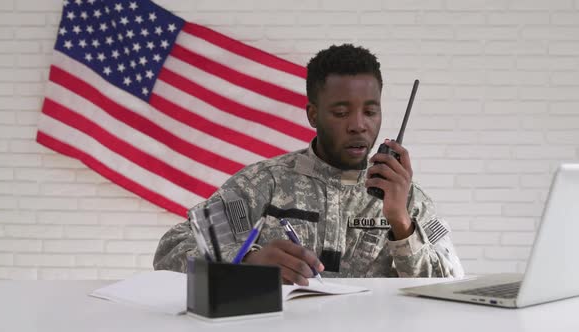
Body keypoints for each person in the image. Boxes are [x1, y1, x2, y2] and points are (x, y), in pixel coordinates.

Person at [154, 44, 464, 285]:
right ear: (313, 115)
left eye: (370, 112)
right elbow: (171, 250)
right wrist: (246, 262)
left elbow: (450, 287)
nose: (358, 125)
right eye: (341, 112)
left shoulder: (407, 198)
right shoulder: (263, 184)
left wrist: (400, 222)